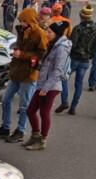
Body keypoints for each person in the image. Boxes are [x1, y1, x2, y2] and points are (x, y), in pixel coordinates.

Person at [0, 8, 47, 142]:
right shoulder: (21, 30)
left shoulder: (39, 33)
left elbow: (42, 54)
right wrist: (15, 50)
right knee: (5, 100)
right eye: (21, 21)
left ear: (30, 21)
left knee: (24, 105)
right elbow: (19, 45)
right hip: (16, 71)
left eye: (24, 21)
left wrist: (23, 55)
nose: (21, 23)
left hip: (29, 74)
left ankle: (20, 130)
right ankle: (5, 127)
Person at [24, 21, 70, 149]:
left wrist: (46, 88)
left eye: (49, 32)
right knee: (30, 110)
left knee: (44, 112)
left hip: (51, 86)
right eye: (47, 31)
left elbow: (58, 70)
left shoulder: (61, 48)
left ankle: (42, 141)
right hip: (43, 83)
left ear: (57, 34)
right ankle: (35, 136)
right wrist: (37, 64)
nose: (46, 33)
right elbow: (47, 64)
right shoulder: (52, 44)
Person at [57, 4, 96, 114]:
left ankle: (64, 100)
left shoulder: (78, 28)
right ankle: (73, 107)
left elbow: (72, 43)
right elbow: (95, 46)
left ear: (81, 16)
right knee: (78, 84)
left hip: (74, 57)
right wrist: (91, 56)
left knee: (64, 78)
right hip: (85, 60)